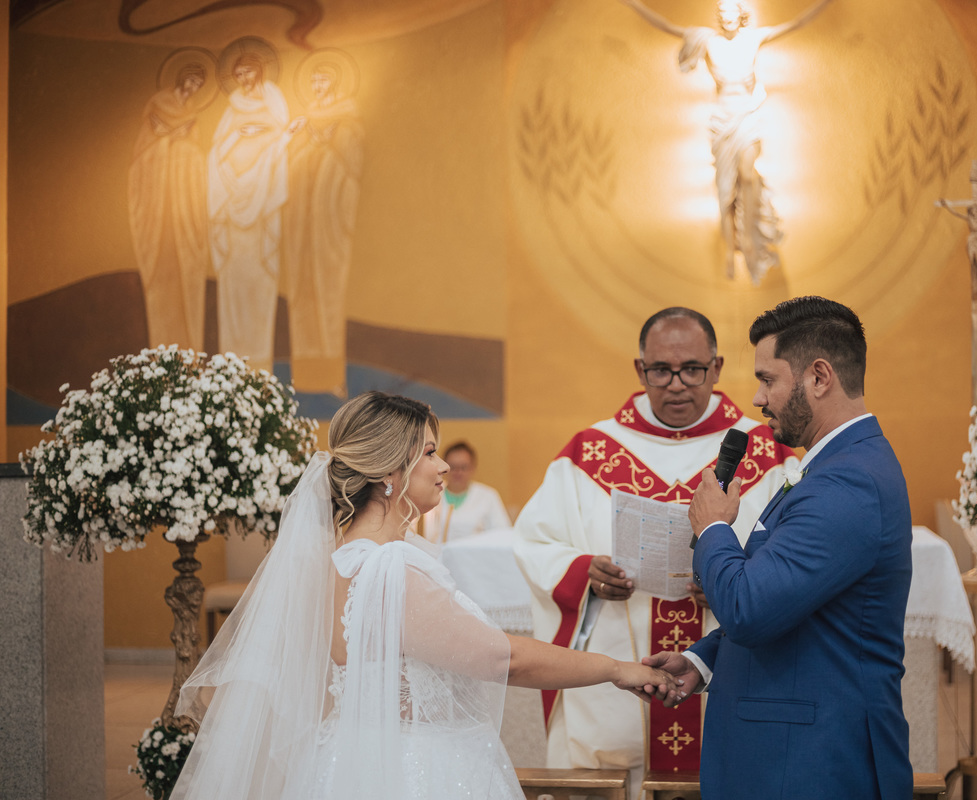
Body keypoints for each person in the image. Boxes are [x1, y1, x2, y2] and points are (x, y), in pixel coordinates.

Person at [171, 392, 675, 799]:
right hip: (416, 770)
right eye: (430, 453)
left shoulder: (334, 559)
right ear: (389, 472)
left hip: (346, 759)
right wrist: (616, 669)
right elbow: (504, 659)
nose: (443, 467)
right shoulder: (389, 567)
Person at [513, 307, 797, 788]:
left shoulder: (767, 450)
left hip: (724, 666)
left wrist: (736, 582)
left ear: (717, 368)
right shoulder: (588, 452)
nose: (677, 385)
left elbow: (793, 552)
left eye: (693, 369)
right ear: (640, 369)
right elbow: (535, 542)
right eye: (661, 370)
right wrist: (585, 573)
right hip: (614, 691)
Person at [642, 296, 913, 799]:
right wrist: (704, 660)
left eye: (768, 380)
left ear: (819, 377)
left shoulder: (848, 482)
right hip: (792, 752)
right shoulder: (834, 468)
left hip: (812, 761)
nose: (758, 398)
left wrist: (713, 527)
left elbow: (750, 609)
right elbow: (799, 607)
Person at [620, 0, 834, 284]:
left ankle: (749, 239)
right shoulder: (708, 41)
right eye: (722, 12)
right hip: (722, 119)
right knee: (725, 191)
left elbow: (796, 23)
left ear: (741, 15)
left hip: (748, 115)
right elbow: (665, 25)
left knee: (748, 174)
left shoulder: (754, 39)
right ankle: (729, 250)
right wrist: (633, 4)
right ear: (718, 18)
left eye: (731, 11)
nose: (727, 17)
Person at [283, 53, 364, 395]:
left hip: (328, 224)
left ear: (335, 82)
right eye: (314, 80)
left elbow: (351, 163)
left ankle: (332, 376)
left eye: (323, 79)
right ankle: (304, 376)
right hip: (302, 225)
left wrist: (327, 146)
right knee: (301, 293)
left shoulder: (348, 120)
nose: (318, 85)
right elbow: (290, 162)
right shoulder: (304, 121)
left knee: (328, 294)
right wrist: (309, 145)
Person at [208, 40, 291, 371]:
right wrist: (239, 137)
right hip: (231, 212)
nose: (243, 79)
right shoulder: (231, 110)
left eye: (247, 72)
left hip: (262, 216)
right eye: (238, 74)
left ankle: (259, 363)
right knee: (233, 288)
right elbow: (216, 154)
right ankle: (231, 364)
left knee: (260, 286)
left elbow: (281, 147)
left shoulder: (274, 105)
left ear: (259, 72)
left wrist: (263, 155)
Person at [128, 60, 210, 352]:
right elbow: (143, 155)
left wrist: (183, 148)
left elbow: (197, 157)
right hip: (159, 212)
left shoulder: (192, 114)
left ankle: (189, 350)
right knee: (162, 285)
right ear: (181, 78)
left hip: (183, 214)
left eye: (198, 85)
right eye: (190, 81)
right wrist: (168, 143)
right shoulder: (159, 103)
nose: (192, 88)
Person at [420, 440, 510, 543]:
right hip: (436, 552)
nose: (458, 472)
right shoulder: (431, 492)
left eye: (463, 467)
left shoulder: (488, 496)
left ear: (472, 468)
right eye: (453, 467)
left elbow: (502, 533)